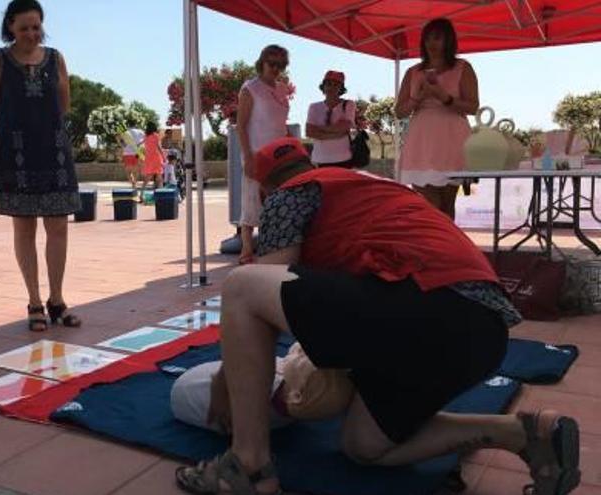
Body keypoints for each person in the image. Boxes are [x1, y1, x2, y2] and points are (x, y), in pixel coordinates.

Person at [175, 137, 580, 495]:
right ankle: (522, 433)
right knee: (365, 446)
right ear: (311, 165)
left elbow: (263, 289)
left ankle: (248, 465)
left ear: (264, 189)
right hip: (483, 332)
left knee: (242, 286)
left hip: (426, 303)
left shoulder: (288, 195)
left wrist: (225, 383)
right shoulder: (368, 187)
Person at [0, 0, 82, 332]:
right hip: (15, 156)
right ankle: (34, 301)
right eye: (24, 28)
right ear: (10, 27)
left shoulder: (56, 59)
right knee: (24, 229)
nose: (31, 34)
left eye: (36, 26)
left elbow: (62, 106)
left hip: (54, 153)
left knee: (58, 228)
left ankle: (57, 299)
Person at [395, 18, 479, 220]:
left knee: (447, 205)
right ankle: (435, 246)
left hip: (452, 141)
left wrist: (444, 97)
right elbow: (400, 111)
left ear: (448, 41)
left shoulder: (462, 67)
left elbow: (472, 106)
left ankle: (447, 248)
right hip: (421, 142)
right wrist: (419, 96)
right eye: (428, 39)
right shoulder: (412, 72)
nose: (432, 44)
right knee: (431, 206)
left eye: (438, 38)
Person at [171, 341, 353, 433]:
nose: (297, 351)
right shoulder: (308, 400)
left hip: (189, 389)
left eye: (301, 357)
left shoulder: (267, 376)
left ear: (297, 396)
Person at [234, 44, 290, 265]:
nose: (275, 68)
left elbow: (281, 123)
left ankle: (270, 246)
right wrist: (247, 156)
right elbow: (241, 125)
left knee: (276, 200)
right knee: (251, 200)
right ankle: (246, 251)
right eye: (271, 63)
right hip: (256, 153)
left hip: (279, 154)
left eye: (280, 64)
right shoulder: (250, 88)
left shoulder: (283, 89)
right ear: (262, 63)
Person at [305, 70, 356, 167]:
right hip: (319, 159)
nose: (331, 87)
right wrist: (336, 134)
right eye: (328, 84)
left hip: (344, 158)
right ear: (323, 87)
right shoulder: (314, 107)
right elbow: (309, 132)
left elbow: (344, 127)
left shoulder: (348, 104)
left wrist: (319, 129)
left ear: (341, 88)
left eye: (336, 84)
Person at [140, 121, 164, 199]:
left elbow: (143, 145)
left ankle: (141, 194)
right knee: (159, 177)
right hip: (156, 157)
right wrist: (163, 156)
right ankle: (161, 194)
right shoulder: (156, 136)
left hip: (148, 158)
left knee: (147, 178)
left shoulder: (145, 136)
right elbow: (159, 147)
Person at [120, 126, 145, 191]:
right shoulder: (141, 132)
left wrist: (126, 147)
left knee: (128, 171)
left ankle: (132, 182)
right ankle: (135, 183)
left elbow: (122, 143)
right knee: (136, 171)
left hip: (127, 153)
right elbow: (144, 141)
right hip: (137, 153)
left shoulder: (125, 132)